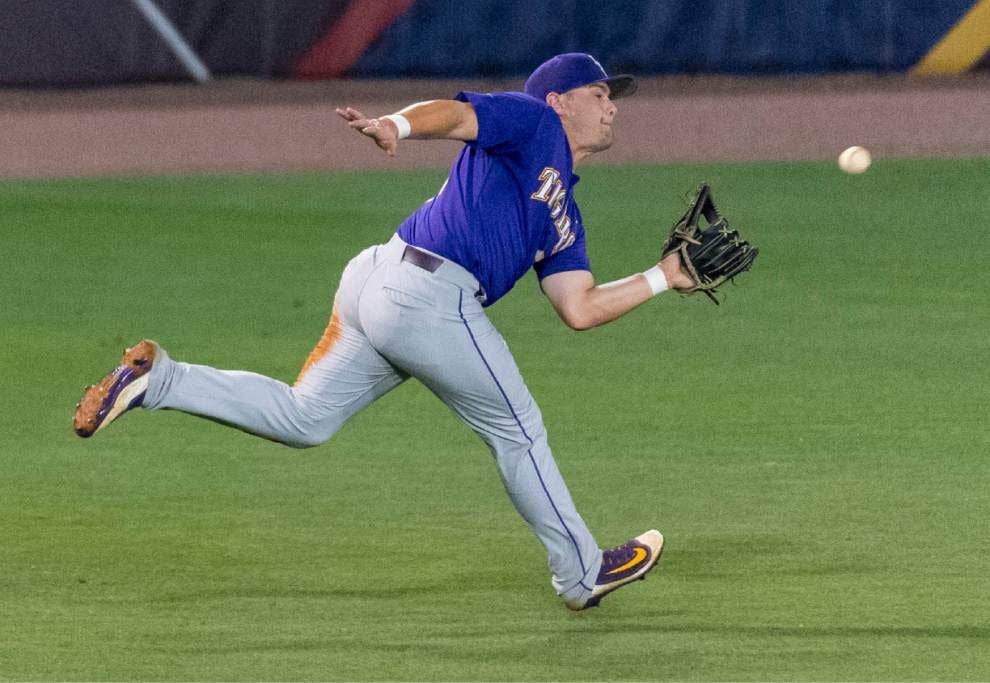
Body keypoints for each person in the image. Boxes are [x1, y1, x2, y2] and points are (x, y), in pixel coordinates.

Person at [73, 53, 695, 610]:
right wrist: (396, 125)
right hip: (424, 294)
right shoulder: (533, 122)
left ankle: (161, 380)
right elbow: (456, 115)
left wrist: (663, 277)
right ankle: (581, 573)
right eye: (598, 93)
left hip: (383, 281)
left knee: (305, 418)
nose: (612, 105)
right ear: (558, 100)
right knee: (519, 430)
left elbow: (579, 307)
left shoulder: (563, 214)